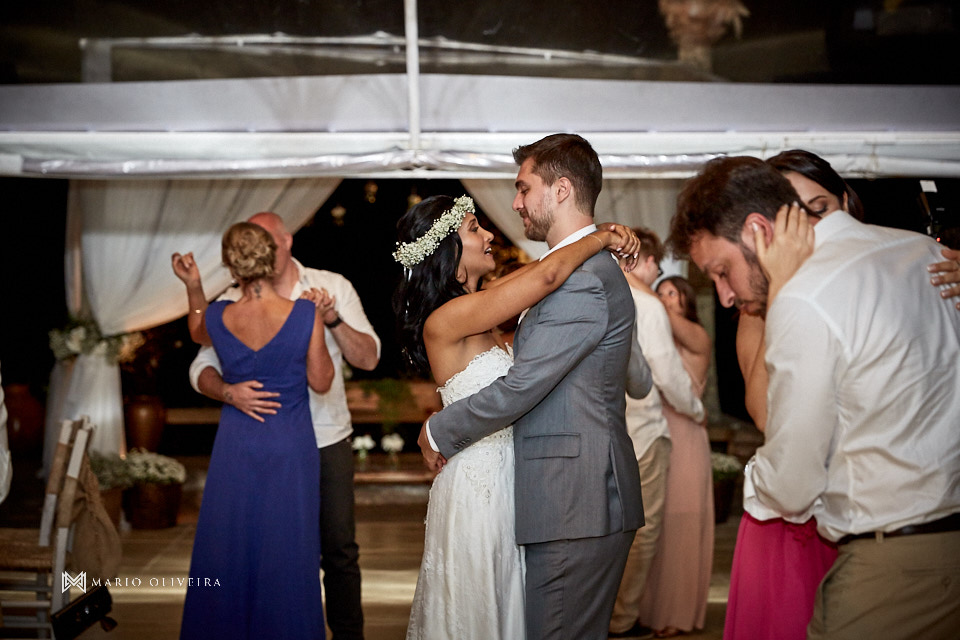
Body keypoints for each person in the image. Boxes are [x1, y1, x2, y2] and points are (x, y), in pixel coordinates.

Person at [667, 155, 960, 639]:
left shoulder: (803, 294)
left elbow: (792, 483)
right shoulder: (925, 253)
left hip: (890, 569)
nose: (722, 295)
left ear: (760, 230)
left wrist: (758, 480)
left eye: (721, 271)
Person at [418, 133, 648, 640]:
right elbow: (632, 374)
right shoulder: (569, 274)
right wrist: (604, 235)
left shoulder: (579, 277)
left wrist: (438, 430)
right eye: (475, 227)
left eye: (523, 188)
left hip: (570, 500)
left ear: (561, 190)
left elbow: (523, 384)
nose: (514, 205)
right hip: (529, 495)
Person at [188, 211, 379, 640]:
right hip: (288, 441)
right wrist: (230, 392)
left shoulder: (332, 287)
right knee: (275, 550)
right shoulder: (283, 311)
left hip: (317, 437)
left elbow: (368, 357)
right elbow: (202, 365)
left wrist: (332, 319)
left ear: (285, 241)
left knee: (335, 550)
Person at [172, 222, 335, 639]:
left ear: (231, 265)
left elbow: (195, 331)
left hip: (237, 446)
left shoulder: (218, 316)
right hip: (290, 447)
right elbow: (321, 382)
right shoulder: (304, 313)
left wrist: (193, 285)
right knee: (289, 550)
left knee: (228, 549)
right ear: (269, 257)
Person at [610, 231, 705, 640]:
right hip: (646, 432)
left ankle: (606, 614)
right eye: (656, 265)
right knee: (642, 533)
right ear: (643, 261)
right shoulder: (646, 306)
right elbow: (666, 375)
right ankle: (621, 621)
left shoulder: (601, 295)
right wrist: (697, 410)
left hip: (609, 431)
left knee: (609, 530)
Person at [633, 274, 713, 638]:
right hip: (657, 431)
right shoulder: (653, 330)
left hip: (687, 436)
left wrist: (649, 296)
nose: (664, 299)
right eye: (661, 292)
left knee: (681, 526)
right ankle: (646, 611)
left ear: (686, 302)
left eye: (672, 294)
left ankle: (677, 614)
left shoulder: (696, 335)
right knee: (654, 530)